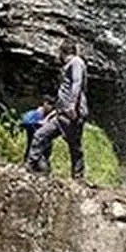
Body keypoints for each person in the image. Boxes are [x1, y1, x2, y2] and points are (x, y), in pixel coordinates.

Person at [27, 40, 89, 181]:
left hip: (71, 114)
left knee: (74, 147)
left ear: (63, 52)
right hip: (61, 114)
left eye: (59, 53)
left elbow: (77, 84)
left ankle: (78, 179)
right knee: (40, 135)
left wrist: (72, 106)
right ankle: (34, 167)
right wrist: (56, 111)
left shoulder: (76, 62)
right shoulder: (69, 65)